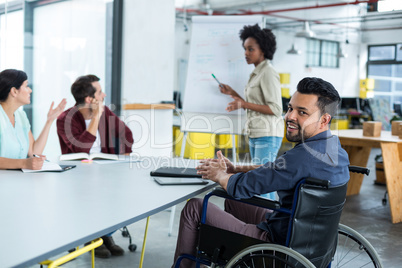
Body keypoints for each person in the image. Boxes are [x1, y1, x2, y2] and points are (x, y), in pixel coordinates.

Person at [172, 77, 350, 268]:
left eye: (302, 112)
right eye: (290, 108)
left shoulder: (301, 156)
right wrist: (237, 169)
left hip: (278, 245)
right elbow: (279, 168)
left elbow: (239, 187)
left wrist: (220, 175)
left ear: (324, 119)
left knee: (196, 207)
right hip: (307, 240)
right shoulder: (336, 150)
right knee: (233, 203)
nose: (290, 117)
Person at [56, 74, 134, 258]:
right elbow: (80, 148)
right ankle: (93, 238)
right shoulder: (65, 119)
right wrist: (96, 117)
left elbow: (127, 134)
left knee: (118, 195)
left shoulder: (104, 112)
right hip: (77, 175)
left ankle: (104, 236)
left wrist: (122, 162)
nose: (104, 95)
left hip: (104, 170)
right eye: (100, 92)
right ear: (89, 99)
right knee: (93, 192)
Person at [218, 24, 284, 200]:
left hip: (267, 134)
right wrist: (232, 92)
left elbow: (276, 109)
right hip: (256, 133)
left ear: (263, 49)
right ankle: (264, 220)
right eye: (245, 49)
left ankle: (267, 221)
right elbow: (252, 103)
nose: (246, 53)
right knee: (260, 178)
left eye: (250, 49)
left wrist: (243, 104)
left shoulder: (268, 73)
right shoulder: (257, 72)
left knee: (264, 181)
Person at [0, 69, 66, 170]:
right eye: (26, 86)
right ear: (14, 91)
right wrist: (23, 163)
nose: (30, 90)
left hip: (17, 180)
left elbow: (34, 152)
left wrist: (49, 121)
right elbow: (25, 162)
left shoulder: (21, 116)